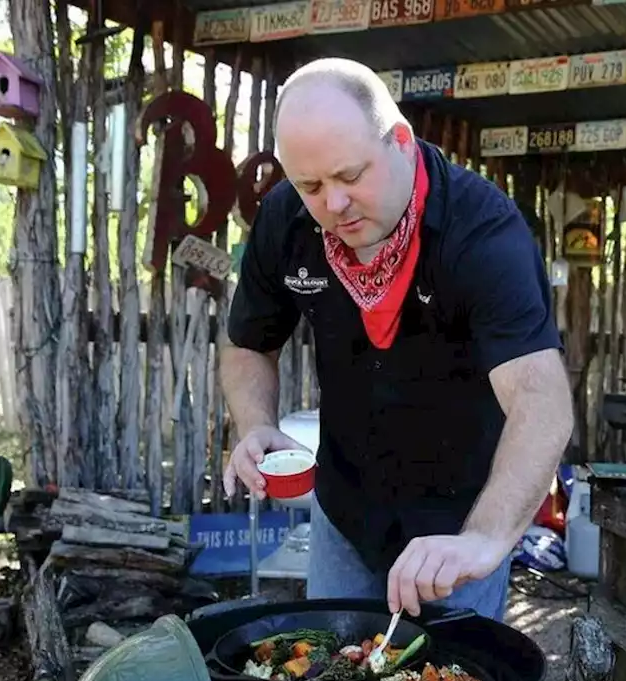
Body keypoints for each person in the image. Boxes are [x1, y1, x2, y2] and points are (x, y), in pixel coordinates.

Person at [219, 57, 574, 623]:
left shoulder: (481, 231)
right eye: (311, 185)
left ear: (401, 142)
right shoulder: (286, 221)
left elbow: (543, 403)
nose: (333, 204)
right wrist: (256, 422)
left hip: (460, 517)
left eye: (351, 176)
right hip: (347, 509)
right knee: (333, 680)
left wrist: (483, 540)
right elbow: (246, 344)